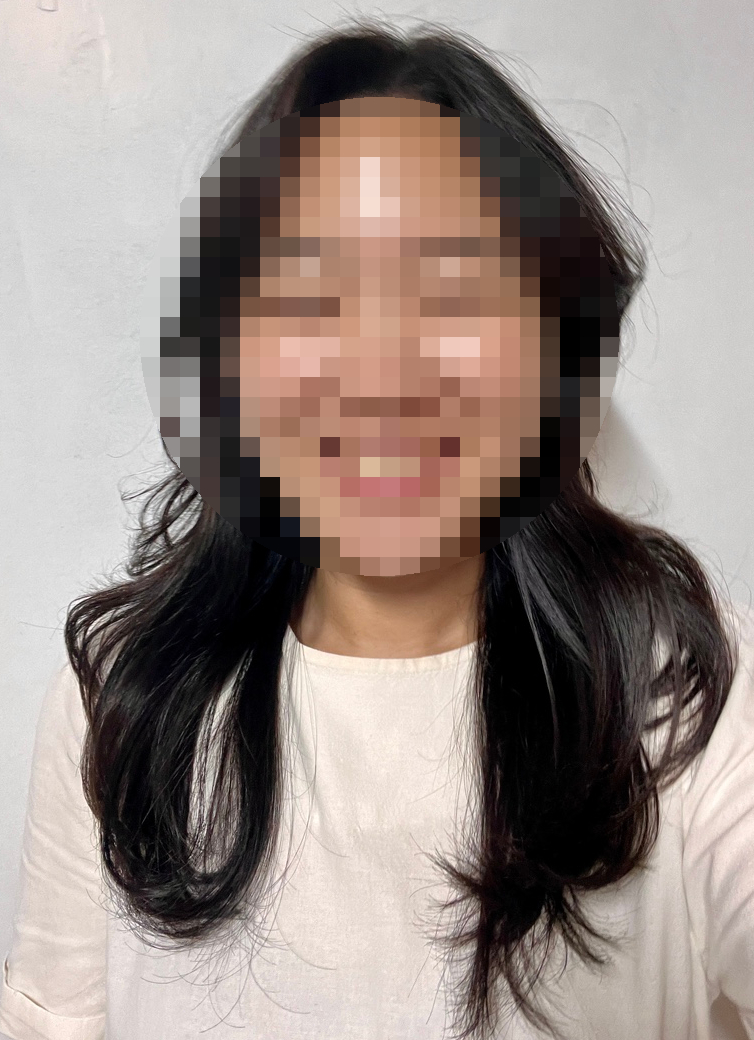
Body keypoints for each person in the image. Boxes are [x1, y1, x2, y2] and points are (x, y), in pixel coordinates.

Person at [2, 21, 753, 1040]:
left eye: (455, 289)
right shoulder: (124, 701)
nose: (385, 372)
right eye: (313, 294)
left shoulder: (692, 696)